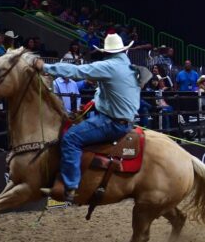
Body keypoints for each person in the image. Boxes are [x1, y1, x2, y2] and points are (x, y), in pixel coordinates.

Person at [35, 33, 139, 204]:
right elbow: (107, 93)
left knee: (71, 138)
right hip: (123, 120)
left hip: (111, 123)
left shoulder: (110, 66)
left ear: (107, 52)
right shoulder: (129, 67)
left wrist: (45, 67)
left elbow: (77, 71)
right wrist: (91, 104)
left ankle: (69, 186)